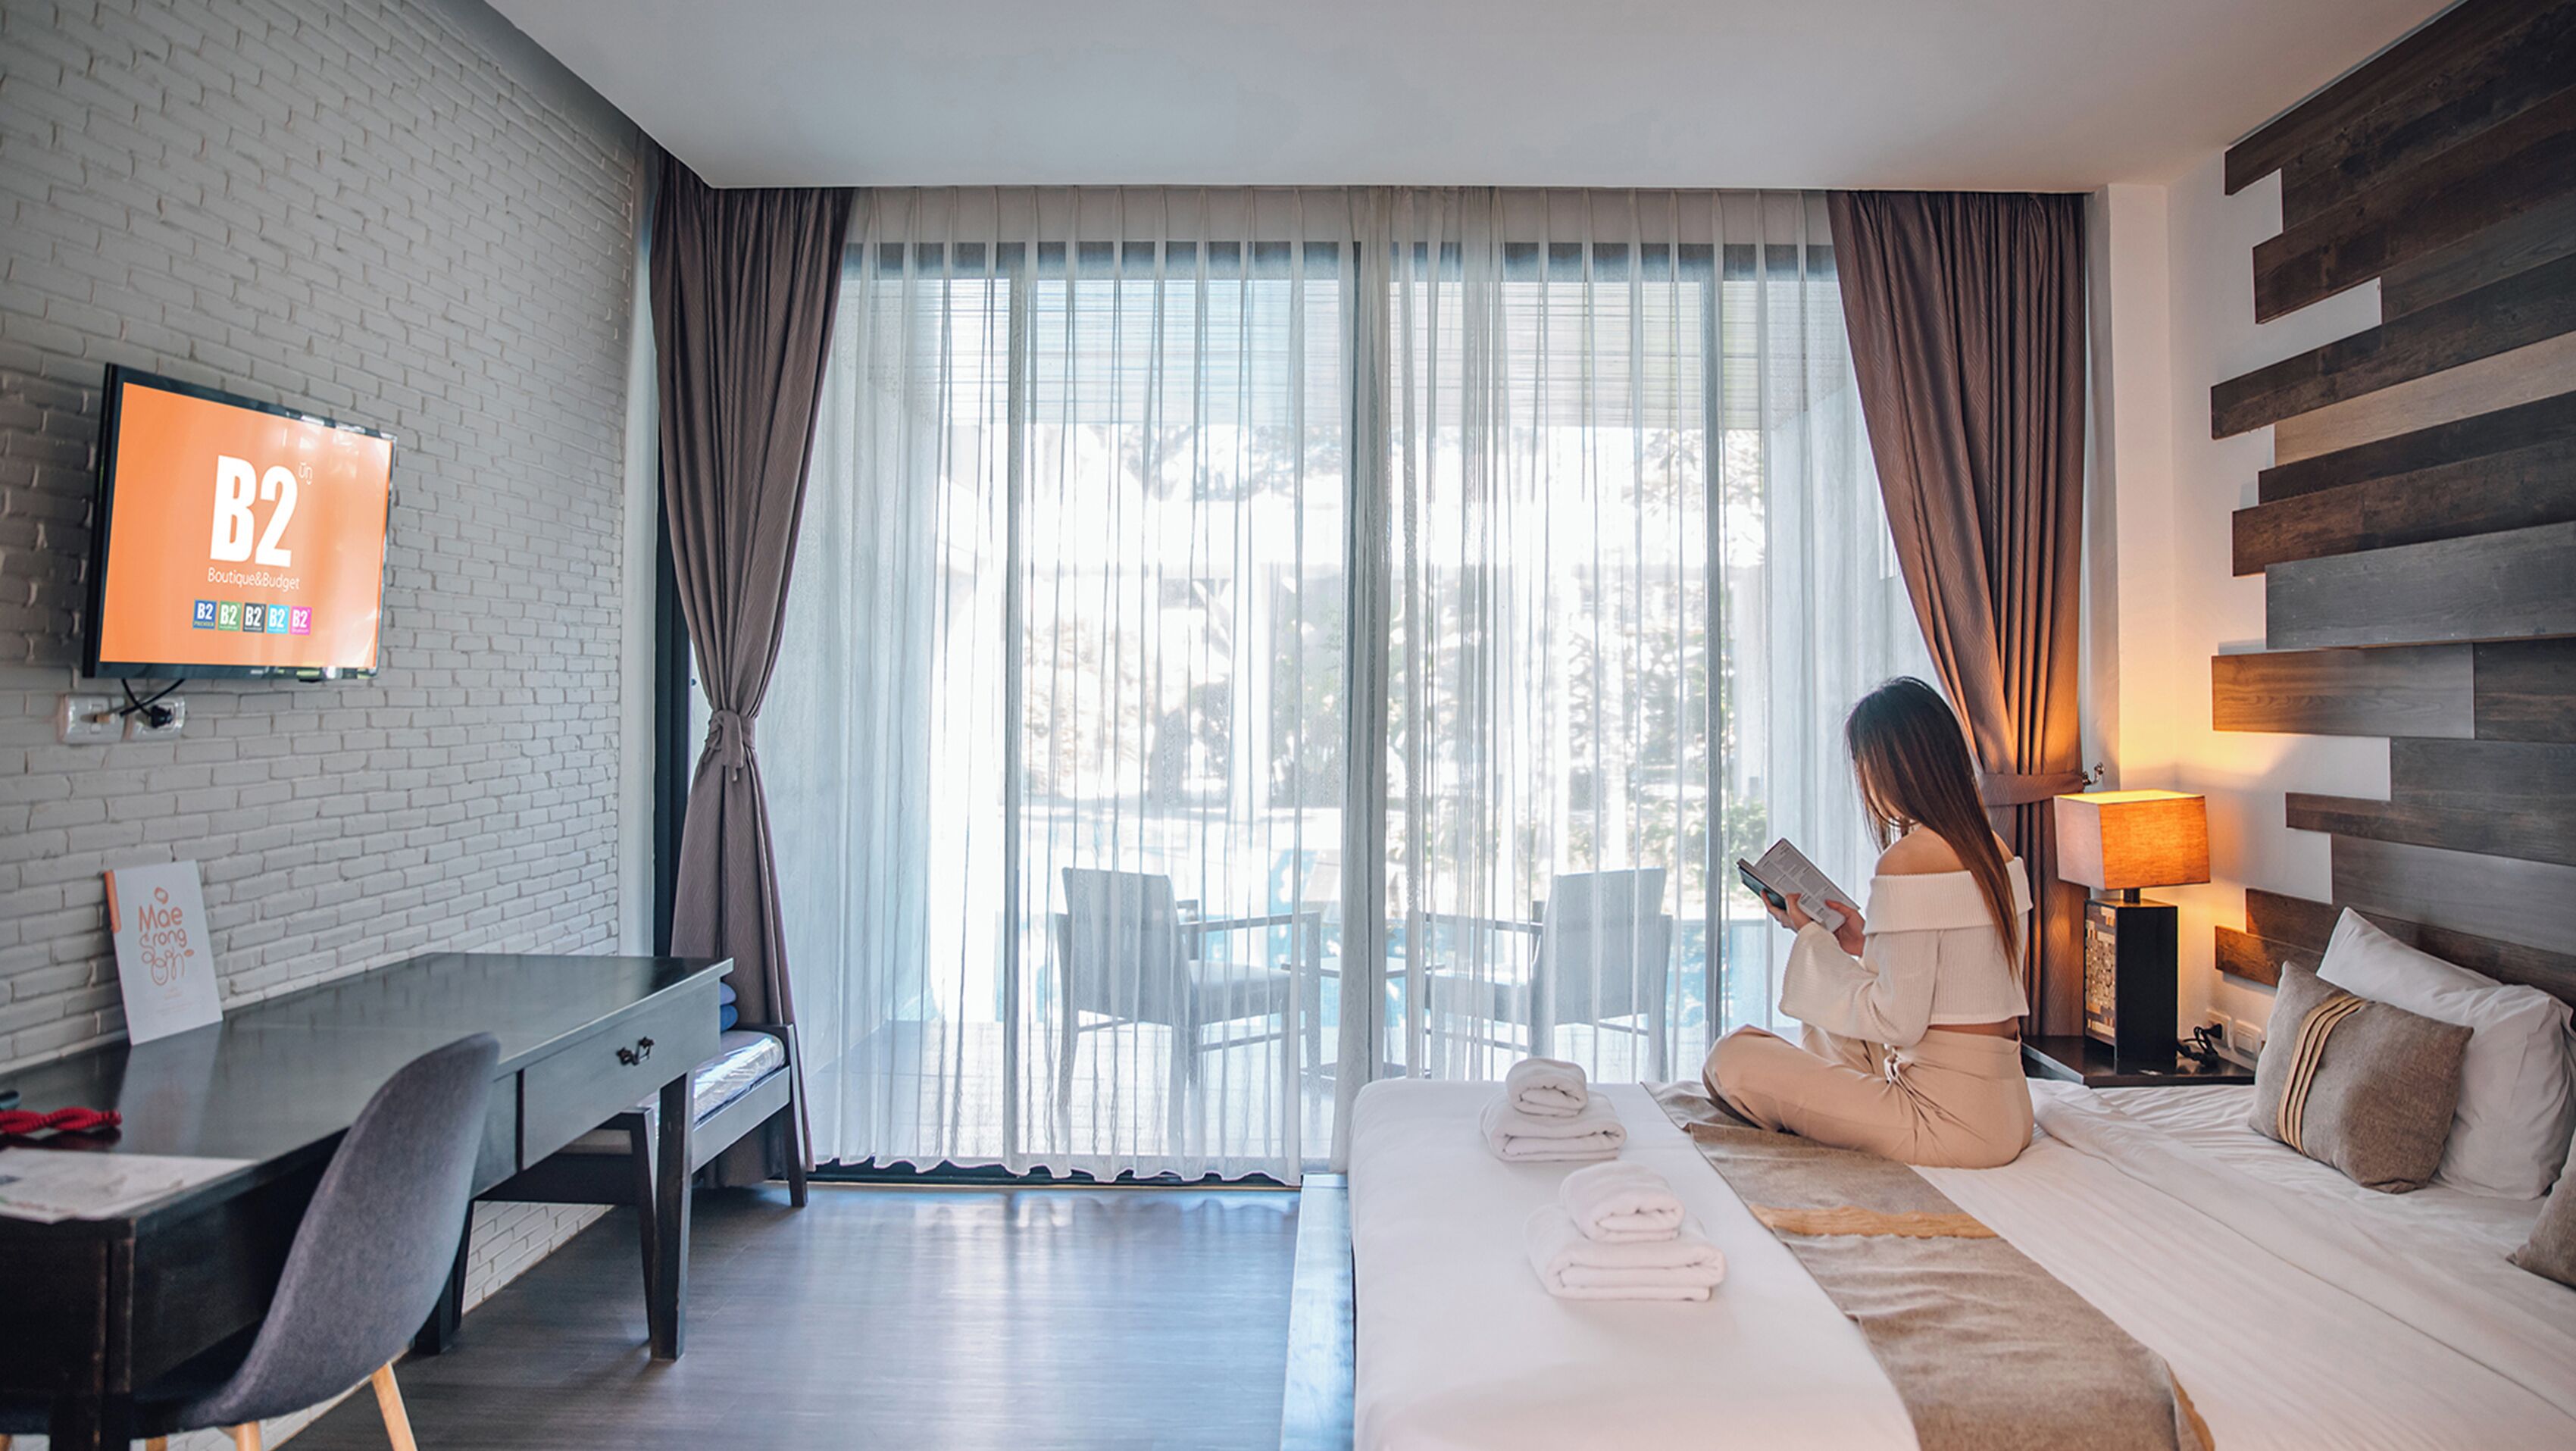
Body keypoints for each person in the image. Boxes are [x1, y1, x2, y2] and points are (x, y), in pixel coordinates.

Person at [1704, 677, 2034, 1168]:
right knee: (1825, 1017)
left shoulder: (1907, 860)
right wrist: (1858, 942)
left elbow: (1898, 1020)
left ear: (1886, 770)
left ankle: (1846, 1107)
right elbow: (1959, 986)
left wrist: (1810, 935)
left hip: (1946, 1120)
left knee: (1732, 1057)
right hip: (2007, 1111)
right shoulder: (1994, 847)